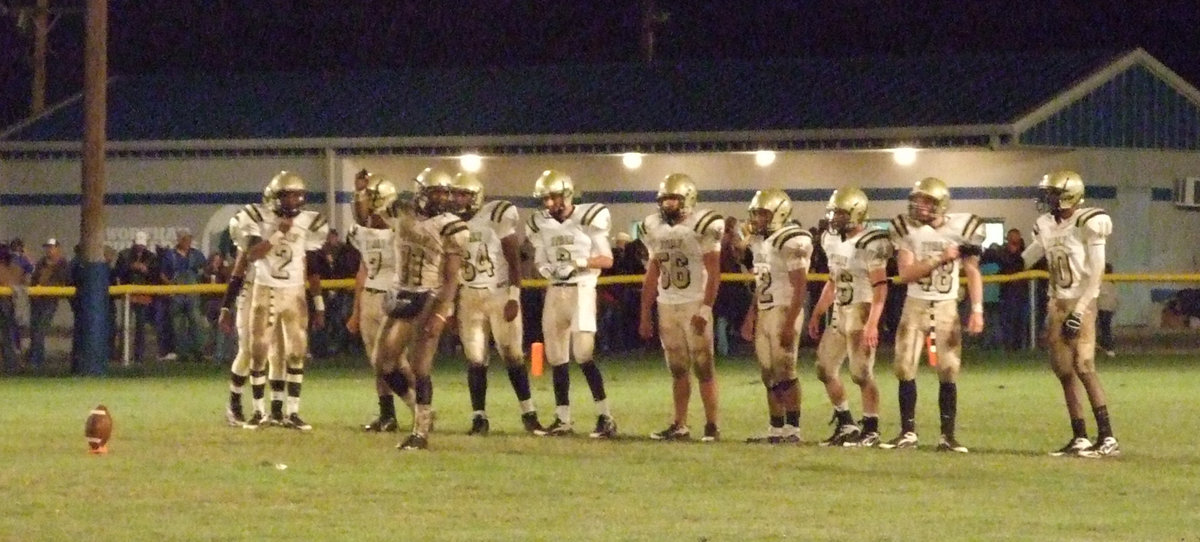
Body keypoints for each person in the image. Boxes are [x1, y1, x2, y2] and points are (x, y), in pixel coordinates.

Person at [1021, 170, 1120, 458]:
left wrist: (1080, 310)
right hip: (1057, 302)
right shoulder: (1046, 224)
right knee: (1064, 371)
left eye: (1051, 193)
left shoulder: (1088, 222)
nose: (1046, 198)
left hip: (1082, 300)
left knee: (1084, 366)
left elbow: (1096, 274)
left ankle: (1107, 437)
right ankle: (1079, 436)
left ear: (1067, 196)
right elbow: (1026, 258)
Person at [368, 167, 468, 450]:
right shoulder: (401, 210)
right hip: (400, 292)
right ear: (421, 192)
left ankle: (420, 433)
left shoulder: (453, 226)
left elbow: (451, 277)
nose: (440, 197)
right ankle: (419, 410)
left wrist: (441, 313)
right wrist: (365, 191)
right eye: (435, 191)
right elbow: (367, 213)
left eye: (444, 192)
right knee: (381, 362)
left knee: (420, 366)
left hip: (429, 295)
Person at [882, 177, 984, 453]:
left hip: (946, 306)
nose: (920, 206)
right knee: (904, 367)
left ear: (941, 204)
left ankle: (947, 436)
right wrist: (939, 257)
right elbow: (905, 274)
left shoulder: (962, 228)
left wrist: (977, 310)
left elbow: (973, 271)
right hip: (915, 304)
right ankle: (908, 433)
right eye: (917, 200)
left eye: (926, 201)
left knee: (948, 369)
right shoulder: (907, 229)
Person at [449, 172, 547, 435]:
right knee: (475, 359)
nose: (458, 199)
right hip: (469, 294)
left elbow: (514, 260)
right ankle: (479, 417)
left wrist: (514, 296)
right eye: (456, 194)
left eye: (464, 195)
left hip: (499, 293)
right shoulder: (449, 223)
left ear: (476, 196)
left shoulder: (497, 215)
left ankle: (529, 414)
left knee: (512, 355)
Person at [525, 169, 618, 438]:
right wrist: (546, 270)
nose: (549, 204)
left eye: (553, 197)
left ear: (566, 194)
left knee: (584, 354)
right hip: (555, 291)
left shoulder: (587, 218)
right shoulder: (540, 223)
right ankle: (563, 418)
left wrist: (579, 263)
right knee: (556, 357)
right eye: (545, 199)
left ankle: (605, 416)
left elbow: (607, 259)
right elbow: (541, 258)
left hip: (582, 288)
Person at [636, 173, 723, 442]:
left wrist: (706, 309)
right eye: (664, 199)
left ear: (688, 199)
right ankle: (680, 423)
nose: (668, 204)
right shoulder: (653, 227)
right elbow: (653, 272)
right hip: (667, 304)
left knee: (703, 366)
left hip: (693, 302)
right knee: (677, 369)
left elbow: (714, 271)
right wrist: (645, 313)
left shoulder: (703, 225)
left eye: (674, 199)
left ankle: (711, 425)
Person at [239, 171, 328, 430]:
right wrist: (278, 234)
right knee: (258, 352)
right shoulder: (258, 217)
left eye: (297, 195)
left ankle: (292, 412)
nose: (293, 201)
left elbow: (312, 266)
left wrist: (319, 303)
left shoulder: (311, 222)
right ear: (275, 197)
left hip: (295, 291)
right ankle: (258, 412)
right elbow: (253, 255)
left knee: (297, 353)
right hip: (265, 289)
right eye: (287, 196)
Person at [807, 188, 891, 447]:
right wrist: (818, 311)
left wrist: (873, 323)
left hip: (861, 308)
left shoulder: (870, 243)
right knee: (824, 368)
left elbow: (881, 287)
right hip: (839, 310)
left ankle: (872, 428)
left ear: (857, 213)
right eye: (834, 212)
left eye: (842, 212)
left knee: (861, 372)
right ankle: (846, 423)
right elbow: (833, 281)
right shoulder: (830, 240)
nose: (836, 217)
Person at [739, 188, 812, 444]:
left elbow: (800, 286)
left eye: (762, 213)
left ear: (779, 213)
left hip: (784, 309)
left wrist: (791, 322)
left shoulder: (790, 240)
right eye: (755, 213)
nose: (757, 218)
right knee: (767, 373)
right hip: (765, 309)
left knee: (785, 370)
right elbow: (761, 284)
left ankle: (793, 429)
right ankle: (776, 428)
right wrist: (752, 315)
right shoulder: (760, 242)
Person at [345, 174, 416, 432]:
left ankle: (419, 406)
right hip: (370, 297)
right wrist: (356, 310)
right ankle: (387, 414)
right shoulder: (363, 233)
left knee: (396, 360)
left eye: (368, 200)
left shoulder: (401, 231)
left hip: (393, 297)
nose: (362, 207)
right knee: (376, 362)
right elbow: (362, 272)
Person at [218, 190, 276, 427]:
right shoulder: (254, 228)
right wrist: (225, 307)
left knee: (273, 352)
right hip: (250, 292)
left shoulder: (287, 226)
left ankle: (276, 409)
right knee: (248, 350)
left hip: (274, 291)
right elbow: (239, 270)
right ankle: (235, 403)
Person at [159, 228, 209, 362]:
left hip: (193, 292)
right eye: (185, 239)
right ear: (179, 240)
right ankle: (182, 354)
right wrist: (171, 286)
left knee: (196, 322)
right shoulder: (170, 255)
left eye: (189, 239)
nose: (188, 241)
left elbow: (205, 270)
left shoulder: (196, 254)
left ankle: (198, 352)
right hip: (176, 294)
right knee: (178, 324)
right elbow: (162, 274)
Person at [114, 231, 158, 363]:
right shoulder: (124, 255)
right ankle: (123, 355)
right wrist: (130, 267)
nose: (140, 248)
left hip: (143, 294)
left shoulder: (151, 257)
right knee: (125, 325)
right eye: (138, 245)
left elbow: (155, 276)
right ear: (134, 243)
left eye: (142, 245)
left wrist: (147, 270)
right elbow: (118, 272)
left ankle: (139, 356)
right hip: (128, 293)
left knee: (140, 326)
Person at [27, 238, 69, 369]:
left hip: (50, 300)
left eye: (52, 247)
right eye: (47, 247)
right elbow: (34, 279)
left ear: (57, 248)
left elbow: (62, 280)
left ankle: (36, 361)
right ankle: (35, 358)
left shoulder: (62, 263)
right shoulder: (41, 262)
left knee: (40, 329)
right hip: (37, 299)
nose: (49, 250)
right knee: (35, 329)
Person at [0, 244, 25, 371]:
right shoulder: (14, 267)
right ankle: (12, 363)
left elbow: (16, 281)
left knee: (9, 334)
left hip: (6, 304)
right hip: (8, 305)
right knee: (9, 334)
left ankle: (12, 363)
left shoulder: (12, 268)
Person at [1097, 263, 1117, 357]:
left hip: (1104, 308)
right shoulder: (1111, 283)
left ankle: (1109, 348)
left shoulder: (1104, 282)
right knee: (1104, 328)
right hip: (1107, 309)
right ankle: (1104, 346)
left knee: (1105, 328)